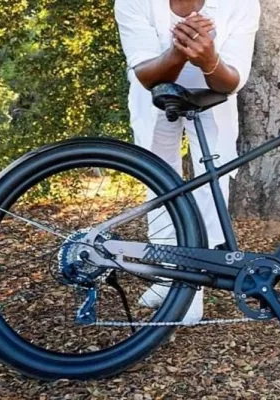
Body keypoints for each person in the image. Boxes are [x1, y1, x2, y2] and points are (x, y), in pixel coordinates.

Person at [115, 0, 261, 323]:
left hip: (214, 95)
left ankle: (195, 284)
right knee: (159, 182)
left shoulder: (241, 4)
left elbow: (233, 80)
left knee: (212, 182)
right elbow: (145, 74)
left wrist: (208, 60)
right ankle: (166, 276)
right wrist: (179, 51)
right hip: (155, 95)